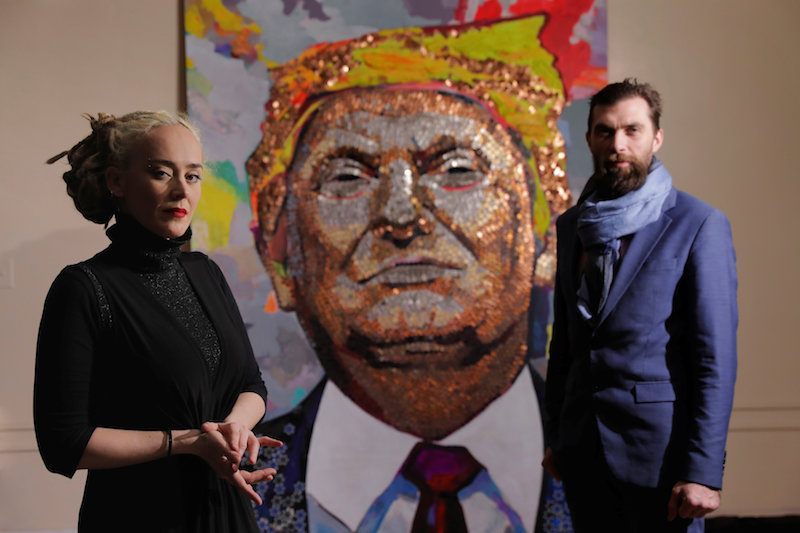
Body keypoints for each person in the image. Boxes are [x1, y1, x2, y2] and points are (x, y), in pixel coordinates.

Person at [245, 16, 572, 533]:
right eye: (348, 176)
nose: (401, 214)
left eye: (457, 170)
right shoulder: (228, 493)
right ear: (280, 263)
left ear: (546, 239)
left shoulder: (622, 473)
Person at [34, 111, 283, 532]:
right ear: (117, 182)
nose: (180, 189)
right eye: (161, 172)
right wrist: (187, 443)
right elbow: (64, 443)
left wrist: (233, 432)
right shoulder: (83, 288)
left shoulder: (207, 272)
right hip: (138, 514)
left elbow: (250, 384)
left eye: (193, 176)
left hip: (226, 509)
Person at [542, 79, 738, 532]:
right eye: (605, 131)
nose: (618, 144)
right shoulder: (572, 225)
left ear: (656, 137)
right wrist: (557, 436)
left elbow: (715, 360)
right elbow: (566, 343)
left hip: (663, 462)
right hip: (582, 455)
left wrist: (703, 472)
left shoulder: (698, 223)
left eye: (632, 130)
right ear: (590, 138)